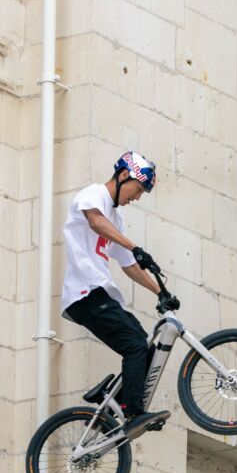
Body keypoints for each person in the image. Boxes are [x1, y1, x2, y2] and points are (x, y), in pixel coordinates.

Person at [61, 152, 170, 440]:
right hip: (85, 293)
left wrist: (161, 292)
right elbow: (96, 223)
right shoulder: (93, 194)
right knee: (134, 344)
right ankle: (133, 413)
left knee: (144, 349)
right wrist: (135, 245)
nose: (137, 197)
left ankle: (108, 410)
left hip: (100, 294)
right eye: (138, 190)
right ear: (124, 176)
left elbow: (129, 265)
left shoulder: (116, 219)